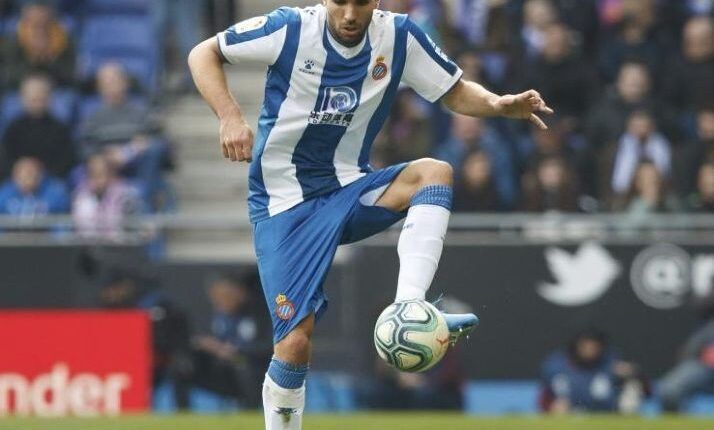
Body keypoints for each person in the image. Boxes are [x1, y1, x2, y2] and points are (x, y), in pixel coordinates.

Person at [188, 1, 552, 428]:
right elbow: (203, 52)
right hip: (284, 204)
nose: (348, 14)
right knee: (294, 344)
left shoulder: (399, 36)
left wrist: (497, 104)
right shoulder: (289, 29)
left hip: (348, 188)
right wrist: (229, 115)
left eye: (359, 2)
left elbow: (452, 89)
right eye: (339, 2)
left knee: (434, 174)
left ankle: (409, 308)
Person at [79, 63, 170, 210]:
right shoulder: (93, 117)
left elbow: (161, 141)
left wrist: (135, 148)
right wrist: (103, 155)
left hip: (138, 164)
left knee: (154, 151)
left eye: (115, 81)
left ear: (125, 83)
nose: (111, 87)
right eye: (106, 83)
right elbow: (84, 145)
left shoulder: (141, 112)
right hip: (106, 166)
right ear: (99, 88)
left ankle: (143, 205)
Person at [192, 273, 272, 407]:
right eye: (216, 298)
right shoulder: (220, 316)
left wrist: (237, 350)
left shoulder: (260, 314)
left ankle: (249, 410)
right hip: (223, 366)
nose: (220, 301)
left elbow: (270, 346)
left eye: (225, 296)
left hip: (254, 366)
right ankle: (182, 410)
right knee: (185, 363)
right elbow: (210, 339)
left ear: (239, 292)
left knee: (242, 364)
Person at [539, 329, 648, 414]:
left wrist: (634, 373)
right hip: (571, 417)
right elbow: (544, 398)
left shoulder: (612, 363)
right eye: (586, 346)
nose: (590, 350)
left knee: (632, 389)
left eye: (594, 346)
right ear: (577, 345)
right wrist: (551, 407)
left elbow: (647, 391)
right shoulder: (557, 366)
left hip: (609, 416)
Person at [0, 74, 75, 179]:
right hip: (18, 181)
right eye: (32, 98)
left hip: (49, 181)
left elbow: (66, 161)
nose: (35, 102)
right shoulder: (13, 128)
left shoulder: (60, 129)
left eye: (40, 97)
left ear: (48, 98)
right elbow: (6, 160)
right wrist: (21, 172)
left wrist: (39, 173)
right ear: (23, 99)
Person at [1, 1, 75, 90]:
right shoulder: (11, 43)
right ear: (25, 22)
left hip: (55, 92)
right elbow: (8, 77)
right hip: (18, 93)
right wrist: (32, 58)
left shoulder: (64, 42)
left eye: (44, 24)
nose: (39, 29)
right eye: (34, 23)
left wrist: (49, 59)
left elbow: (70, 78)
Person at [72, 153, 143, 239]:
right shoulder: (81, 196)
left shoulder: (126, 196)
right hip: (88, 247)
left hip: (119, 247)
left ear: (111, 174)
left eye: (100, 174)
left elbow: (133, 231)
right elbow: (80, 230)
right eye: (92, 174)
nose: (96, 180)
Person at [0, 156, 69, 218]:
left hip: (44, 231)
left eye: (30, 174)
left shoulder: (55, 193)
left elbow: (61, 222)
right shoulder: (4, 193)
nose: (26, 179)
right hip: (12, 231)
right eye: (22, 175)